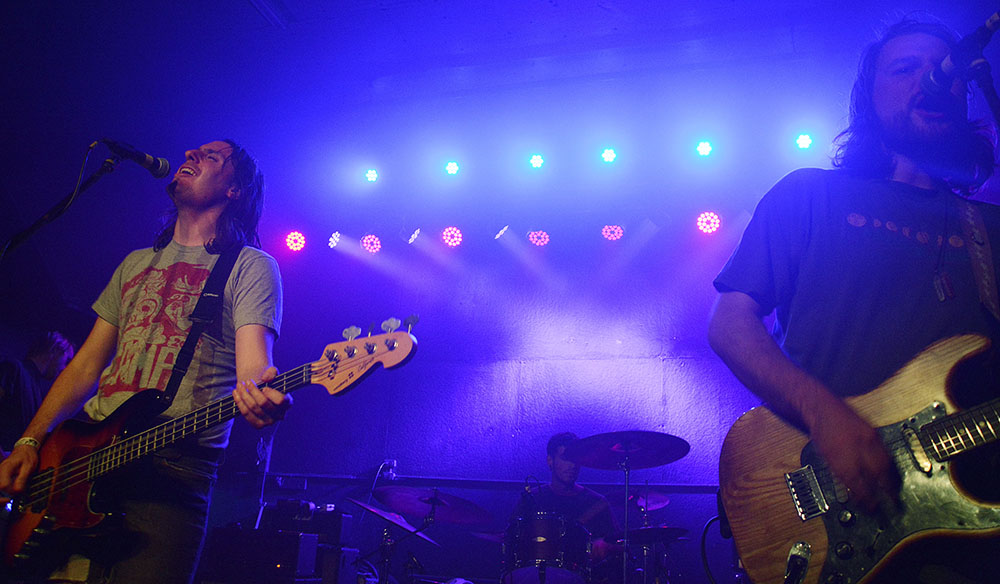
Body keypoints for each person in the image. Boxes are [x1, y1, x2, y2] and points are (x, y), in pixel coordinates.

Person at [708, 18, 998, 582]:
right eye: (904, 69)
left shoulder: (989, 227)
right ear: (869, 95)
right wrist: (826, 416)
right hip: (845, 522)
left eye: (944, 71)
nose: (928, 80)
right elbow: (730, 324)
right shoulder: (810, 195)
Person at [0, 139, 289, 584]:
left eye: (212, 157)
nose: (191, 156)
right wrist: (29, 442)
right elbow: (82, 369)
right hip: (81, 461)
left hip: (171, 473)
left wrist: (261, 399)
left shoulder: (251, 267)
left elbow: (254, 368)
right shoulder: (134, 264)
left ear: (236, 190)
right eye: (192, 152)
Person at [508, 432, 618, 584]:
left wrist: (605, 544)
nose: (572, 465)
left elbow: (619, 546)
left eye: (576, 459)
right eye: (566, 459)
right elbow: (510, 540)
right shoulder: (531, 500)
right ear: (550, 461)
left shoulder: (597, 503)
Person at [0, 331, 75, 454]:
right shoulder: (14, 367)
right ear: (54, 350)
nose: (64, 368)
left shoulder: (38, 390)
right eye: (66, 360)